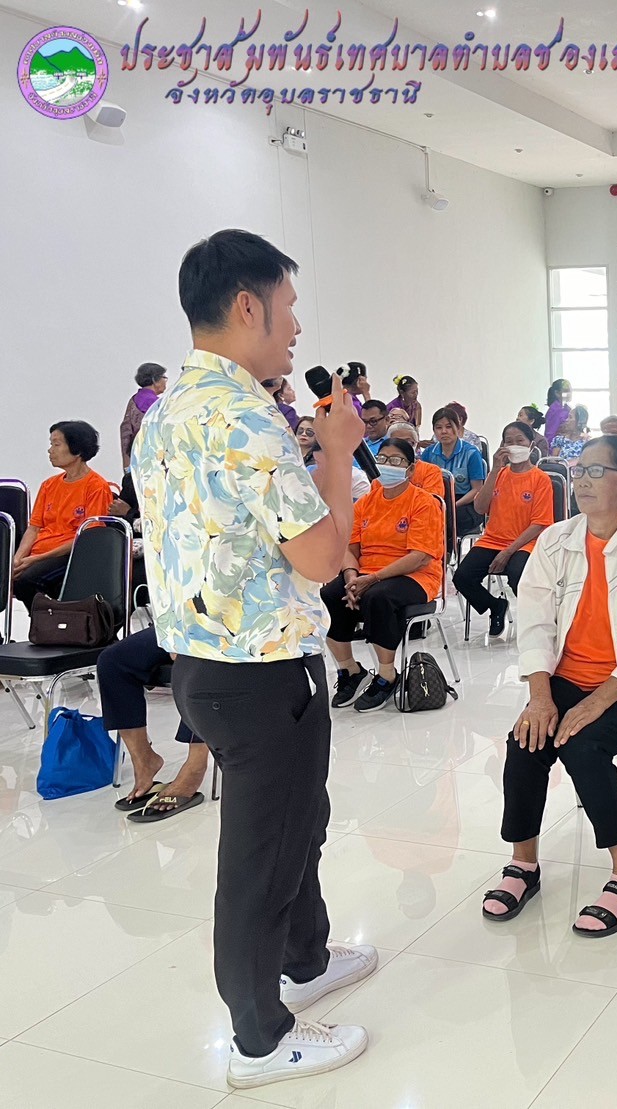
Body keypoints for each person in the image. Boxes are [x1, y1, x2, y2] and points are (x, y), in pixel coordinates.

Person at [133, 229, 374, 1087]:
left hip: (205, 666)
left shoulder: (164, 412)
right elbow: (322, 557)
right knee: (261, 856)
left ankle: (305, 959)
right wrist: (337, 453)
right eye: (289, 306)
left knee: (295, 821)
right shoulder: (245, 418)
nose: (297, 326)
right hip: (262, 668)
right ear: (248, 305)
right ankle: (259, 1038)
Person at [480, 436, 617, 935]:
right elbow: (535, 621)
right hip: (566, 676)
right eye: (579, 471)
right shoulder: (556, 540)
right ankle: (523, 863)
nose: (583, 481)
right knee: (525, 740)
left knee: (582, 743)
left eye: (598, 472)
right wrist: (540, 696)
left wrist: (596, 702)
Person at [321, 439, 445, 711]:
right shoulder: (366, 502)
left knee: (377, 597)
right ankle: (350, 670)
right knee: (329, 594)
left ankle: (387, 676)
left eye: (396, 460)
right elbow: (348, 548)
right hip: (366, 572)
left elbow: (420, 556)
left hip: (415, 575)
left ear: (410, 469)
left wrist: (372, 579)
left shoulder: (423, 502)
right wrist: (351, 577)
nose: (388, 465)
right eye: (383, 459)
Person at [455, 422, 555, 637]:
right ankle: (496, 606)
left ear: (531, 445)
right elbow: (480, 507)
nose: (515, 445)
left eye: (520, 441)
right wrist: (494, 470)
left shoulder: (541, 479)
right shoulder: (499, 474)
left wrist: (508, 552)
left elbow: (539, 524)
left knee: (518, 574)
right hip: (493, 539)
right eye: (509, 442)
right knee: (462, 577)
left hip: (526, 542)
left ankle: (537, 622)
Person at [101, 625, 210, 821]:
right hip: (180, 621)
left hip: (228, 625)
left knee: (197, 657)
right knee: (112, 661)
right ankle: (144, 760)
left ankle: (195, 766)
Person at [13, 421, 116, 612]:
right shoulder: (48, 485)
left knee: (26, 581)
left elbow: (88, 537)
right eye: (51, 444)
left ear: (77, 450)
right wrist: (18, 559)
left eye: (56, 444)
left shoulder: (96, 487)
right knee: (10, 575)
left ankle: (48, 623)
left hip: (67, 555)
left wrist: (36, 560)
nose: (50, 450)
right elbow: (34, 528)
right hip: (37, 554)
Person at [421, 405, 488, 537]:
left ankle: (445, 548)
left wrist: (452, 506)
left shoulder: (471, 453)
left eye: (449, 426)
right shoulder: (428, 453)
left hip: (465, 502)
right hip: (437, 500)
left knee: (448, 519)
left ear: (458, 428)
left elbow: (477, 489)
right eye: (439, 427)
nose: (444, 431)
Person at [297, 416, 371, 502]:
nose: (320, 468)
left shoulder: (358, 479)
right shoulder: (310, 471)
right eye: (317, 462)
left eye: (309, 432)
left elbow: (356, 508)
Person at [120, 363, 168, 469]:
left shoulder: (134, 399)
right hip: (150, 459)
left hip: (134, 456)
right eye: (164, 377)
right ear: (155, 380)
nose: (165, 381)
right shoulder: (154, 403)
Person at [386, 422, 445, 497]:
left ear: (416, 446)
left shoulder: (431, 471)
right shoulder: (383, 470)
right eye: (397, 442)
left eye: (409, 442)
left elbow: (431, 502)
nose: (403, 446)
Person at [542, 379, 573, 455]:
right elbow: (550, 434)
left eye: (570, 390)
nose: (570, 393)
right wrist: (552, 455)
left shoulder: (567, 408)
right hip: (557, 451)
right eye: (566, 391)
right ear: (557, 393)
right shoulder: (555, 410)